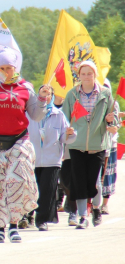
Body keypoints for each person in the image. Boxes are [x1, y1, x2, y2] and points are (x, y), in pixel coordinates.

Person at [0, 48, 50, 243]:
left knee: (16, 182)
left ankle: (14, 225)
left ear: (16, 68)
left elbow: (36, 115)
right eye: (2, 67)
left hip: (18, 142)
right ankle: (0, 227)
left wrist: (42, 99)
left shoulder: (26, 88)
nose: (6, 71)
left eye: (9, 68)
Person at [62, 61, 117, 229]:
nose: (86, 77)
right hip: (76, 144)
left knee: (95, 182)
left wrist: (111, 121)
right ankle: (82, 216)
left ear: (95, 75)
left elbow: (113, 118)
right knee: (78, 181)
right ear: (79, 75)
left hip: (97, 143)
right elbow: (64, 117)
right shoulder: (72, 94)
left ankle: (96, 208)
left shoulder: (105, 94)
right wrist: (67, 130)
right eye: (83, 73)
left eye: (90, 73)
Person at [28, 86, 76, 231]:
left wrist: (70, 134)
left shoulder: (58, 115)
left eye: (50, 94)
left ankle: (42, 219)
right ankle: (28, 215)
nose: (47, 97)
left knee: (48, 190)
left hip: (52, 159)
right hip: (32, 159)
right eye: (44, 94)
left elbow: (64, 138)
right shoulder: (30, 114)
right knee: (32, 189)